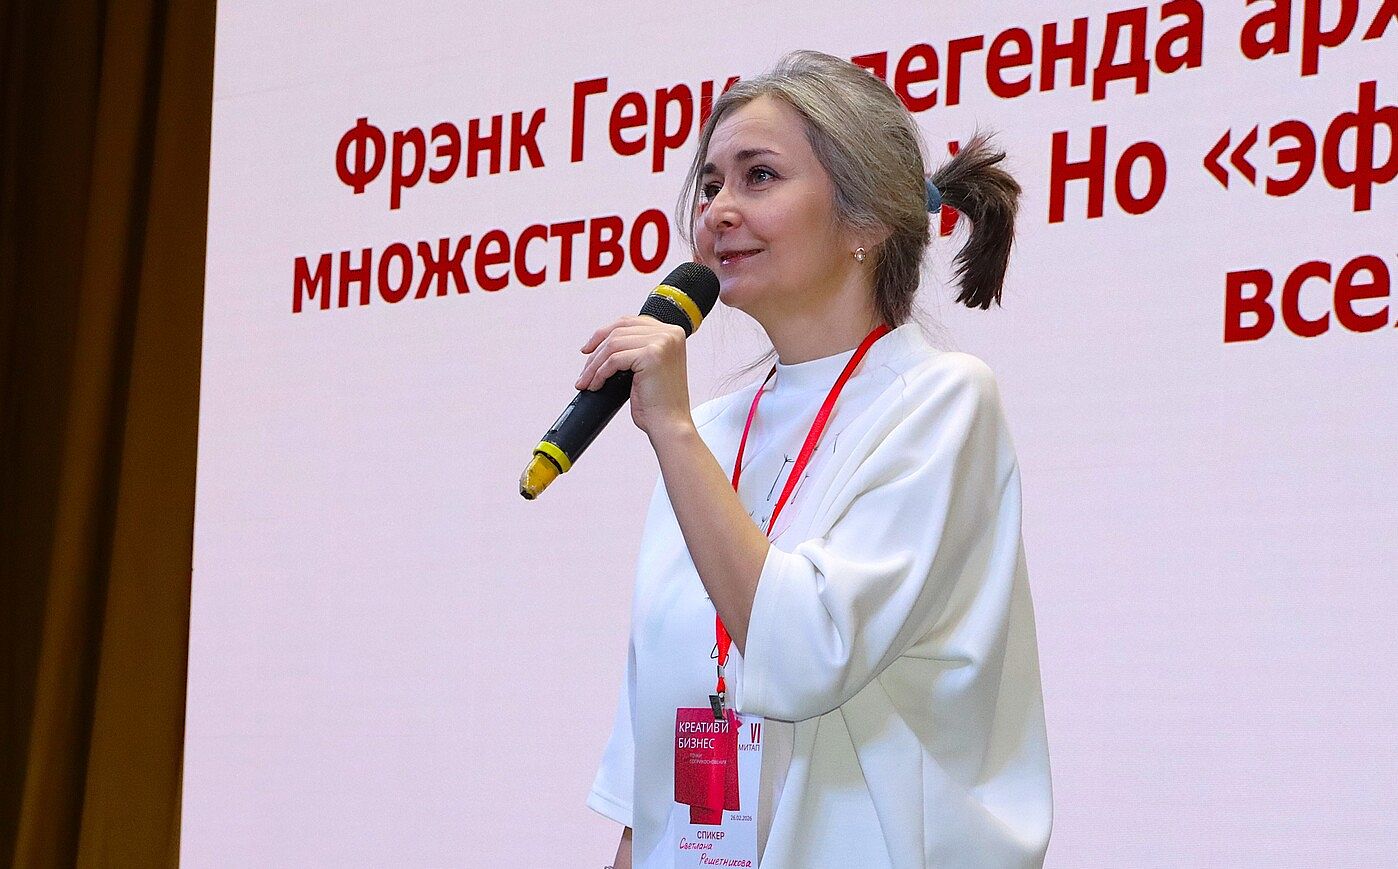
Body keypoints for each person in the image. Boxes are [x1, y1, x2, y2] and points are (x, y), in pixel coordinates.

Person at [579, 50, 1051, 868]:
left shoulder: (941, 401)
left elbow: (806, 654)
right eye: (711, 184)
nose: (719, 210)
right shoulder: (707, 430)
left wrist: (674, 432)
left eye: (758, 176)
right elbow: (647, 774)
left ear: (867, 220)